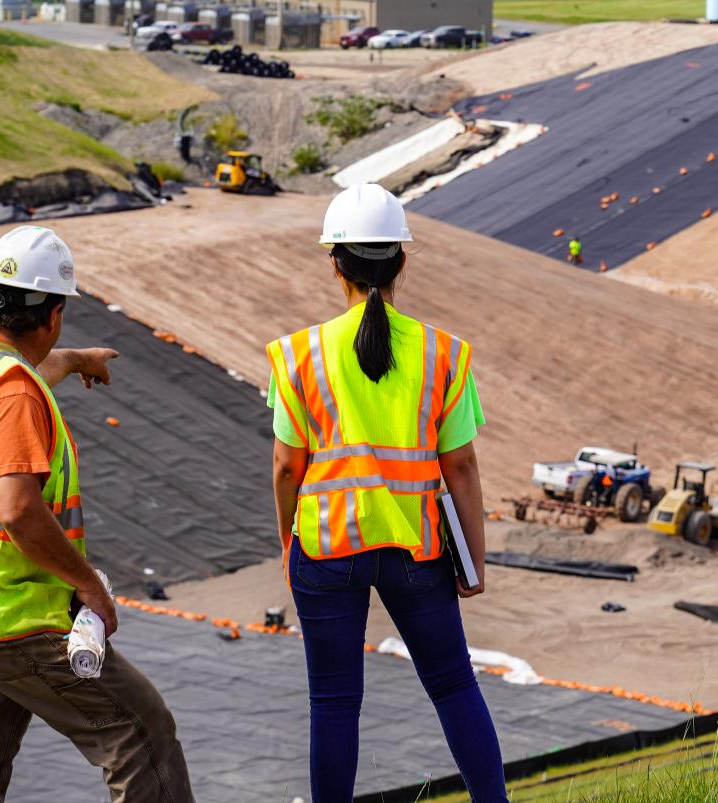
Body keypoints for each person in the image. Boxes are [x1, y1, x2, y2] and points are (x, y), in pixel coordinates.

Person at [0, 225, 194, 802]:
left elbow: (20, 381)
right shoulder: (12, 393)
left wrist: (75, 359)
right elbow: (19, 509)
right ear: (53, 313)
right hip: (1, 613)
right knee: (139, 731)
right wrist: (88, 587)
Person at [267, 184, 506, 803]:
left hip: (325, 549)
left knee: (334, 703)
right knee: (454, 686)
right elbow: (462, 467)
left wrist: (289, 541)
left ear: (334, 263)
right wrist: (472, 562)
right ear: (402, 260)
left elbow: (288, 469)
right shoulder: (443, 354)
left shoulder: (297, 356)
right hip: (418, 549)